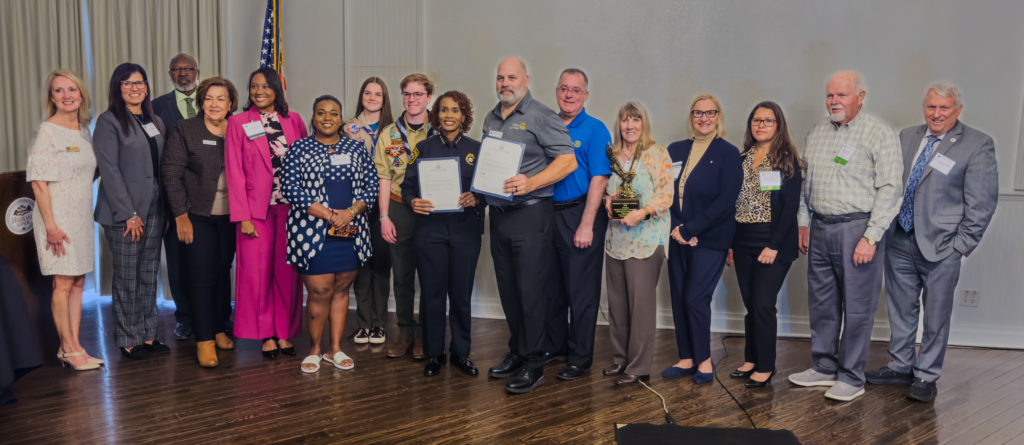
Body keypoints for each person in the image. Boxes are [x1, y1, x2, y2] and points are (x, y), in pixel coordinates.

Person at [865, 83, 998, 402]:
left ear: (958, 110)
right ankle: (900, 366)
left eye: (944, 108)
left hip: (943, 246)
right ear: (924, 107)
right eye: (931, 107)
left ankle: (926, 375)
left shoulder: (978, 144)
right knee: (900, 308)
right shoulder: (906, 137)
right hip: (899, 238)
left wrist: (961, 245)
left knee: (936, 315)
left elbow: (982, 202)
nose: (936, 114)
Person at [788, 70, 903, 402]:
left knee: (858, 308)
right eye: (829, 96)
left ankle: (851, 377)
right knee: (822, 303)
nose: (834, 102)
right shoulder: (817, 132)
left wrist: (871, 236)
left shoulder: (878, 132)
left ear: (861, 96)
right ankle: (824, 367)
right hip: (820, 227)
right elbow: (804, 181)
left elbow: (891, 189)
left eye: (842, 95)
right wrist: (803, 222)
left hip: (858, 229)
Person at [482, 57, 577, 394]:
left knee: (531, 293)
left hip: (532, 215)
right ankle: (518, 352)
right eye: (500, 78)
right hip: (500, 217)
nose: (505, 83)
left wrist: (531, 182)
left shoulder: (542, 115)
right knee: (509, 291)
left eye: (511, 77)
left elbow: (568, 161)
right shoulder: (491, 117)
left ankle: (535, 365)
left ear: (525, 79)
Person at [283, 95, 377, 373]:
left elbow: (371, 185)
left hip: (351, 231)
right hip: (312, 232)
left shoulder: (356, 148)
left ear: (341, 119)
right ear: (312, 118)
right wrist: (329, 214)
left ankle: (334, 348)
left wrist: (350, 212)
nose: (327, 118)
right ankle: (315, 348)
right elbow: (290, 188)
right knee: (320, 290)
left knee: (341, 289)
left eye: (334, 113)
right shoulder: (298, 149)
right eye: (321, 113)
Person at [225, 67, 307, 359]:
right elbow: (234, 172)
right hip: (255, 212)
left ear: (277, 89)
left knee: (286, 273)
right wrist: (242, 216)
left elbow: (306, 163)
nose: (259, 92)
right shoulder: (238, 123)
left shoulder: (293, 120)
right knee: (257, 275)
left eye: (265, 86)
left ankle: (283, 332)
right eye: (254, 87)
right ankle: (265, 335)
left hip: (291, 209)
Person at [660, 94, 742, 384]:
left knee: (696, 297)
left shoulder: (728, 152)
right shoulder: (675, 150)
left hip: (711, 238)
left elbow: (726, 200)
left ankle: (704, 360)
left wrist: (691, 230)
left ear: (718, 116)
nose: (704, 118)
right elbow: (666, 193)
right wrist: (679, 229)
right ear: (691, 116)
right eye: (698, 113)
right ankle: (686, 357)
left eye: (710, 113)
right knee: (680, 295)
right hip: (678, 235)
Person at [402, 90, 484, 377]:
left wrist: (477, 197)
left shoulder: (478, 149)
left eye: (456, 110)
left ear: (464, 116)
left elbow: (488, 191)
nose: (449, 115)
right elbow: (407, 188)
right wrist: (413, 201)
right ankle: (434, 353)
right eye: (444, 110)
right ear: (436, 116)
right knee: (433, 294)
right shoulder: (423, 149)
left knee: (461, 295)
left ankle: (461, 353)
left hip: (466, 232)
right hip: (430, 231)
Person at [160, 77, 239, 368]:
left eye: (221, 99)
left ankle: (219, 328)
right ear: (200, 102)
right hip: (197, 216)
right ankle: (204, 339)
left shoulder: (241, 129)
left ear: (231, 103)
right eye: (209, 99)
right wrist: (180, 215)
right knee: (202, 277)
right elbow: (171, 173)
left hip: (232, 217)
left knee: (221, 273)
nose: (215, 104)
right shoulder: (186, 129)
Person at [93, 63, 170, 359]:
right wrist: (128, 214)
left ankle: (149, 335)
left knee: (149, 271)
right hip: (124, 211)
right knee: (128, 275)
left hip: (155, 206)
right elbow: (109, 171)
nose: (134, 88)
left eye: (139, 83)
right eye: (127, 84)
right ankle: (128, 338)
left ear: (147, 87)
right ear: (118, 89)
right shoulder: (109, 121)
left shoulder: (155, 121)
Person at [26, 70, 101, 370]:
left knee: (78, 282)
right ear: (51, 97)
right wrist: (52, 227)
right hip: (55, 219)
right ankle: (69, 350)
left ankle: (75, 345)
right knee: (63, 283)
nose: (67, 95)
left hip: (81, 217)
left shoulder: (83, 130)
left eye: (72, 89)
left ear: (81, 95)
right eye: (59, 91)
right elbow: (38, 184)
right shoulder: (47, 131)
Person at [725, 102, 803, 388]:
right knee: (750, 304)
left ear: (778, 125)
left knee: (763, 304)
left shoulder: (786, 160)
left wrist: (772, 245)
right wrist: (731, 243)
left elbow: (790, 207)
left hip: (773, 244)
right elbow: (733, 203)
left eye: (768, 121)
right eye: (756, 121)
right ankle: (751, 358)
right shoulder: (742, 159)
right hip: (743, 241)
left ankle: (767, 366)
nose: (761, 125)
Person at [546, 68, 612, 381]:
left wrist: (587, 224)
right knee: (553, 287)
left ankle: (580, 357)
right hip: (548, 213)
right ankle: (557, 346)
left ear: (585, 95)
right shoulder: (547, 125)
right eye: (564, 89)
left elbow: (599, 178)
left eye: (576, 90)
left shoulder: (596, 130)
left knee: (581, 292)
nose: (569, 95)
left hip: (581, 213)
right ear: (557, 92)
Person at [601, 101, 673, 386]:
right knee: (617, 305)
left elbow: (666, 194)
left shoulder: (657, 153)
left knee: (640, 307)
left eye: (635, 120)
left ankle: (639, 366)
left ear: (644, 124)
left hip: (645, 240)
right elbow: (608, 190)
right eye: (625, 120)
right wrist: (608, 202)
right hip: (616, 239)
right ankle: (620, 360)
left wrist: (641, 212)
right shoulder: (614, 155)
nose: (630, 126)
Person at [375, 74, 436, 359]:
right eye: (407, 94)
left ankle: (425, 335)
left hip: (432, 209)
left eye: (418, 94)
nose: (412, 99)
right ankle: (405, 333)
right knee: (402, 276)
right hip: (399, 207)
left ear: (429, 98)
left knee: (429, 275)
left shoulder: (438, 130)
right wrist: (384, 216)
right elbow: (384, 177)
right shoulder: (389, 133)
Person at [152, 53, 201, 340]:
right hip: (173, 199)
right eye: (176, 69)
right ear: (170, 74)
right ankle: (184, 317)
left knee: (210, 261)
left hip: (212, 199)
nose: (182, 73)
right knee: (179, 262)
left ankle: (216, 314)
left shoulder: (213, 101)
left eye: (188, 68)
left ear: (197, 71)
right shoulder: (156, 107)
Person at [344, 77, 395, 345]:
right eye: (367, 93)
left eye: (377, 94)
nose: (372, 98)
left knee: (381, 266)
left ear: (384, 99)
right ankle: (363, 323)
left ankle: (380, 324)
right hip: (356, 206)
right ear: (361, 96)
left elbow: (398, 168)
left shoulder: (395, 130)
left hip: (385, 207)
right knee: (361, 265)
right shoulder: (348, 128)